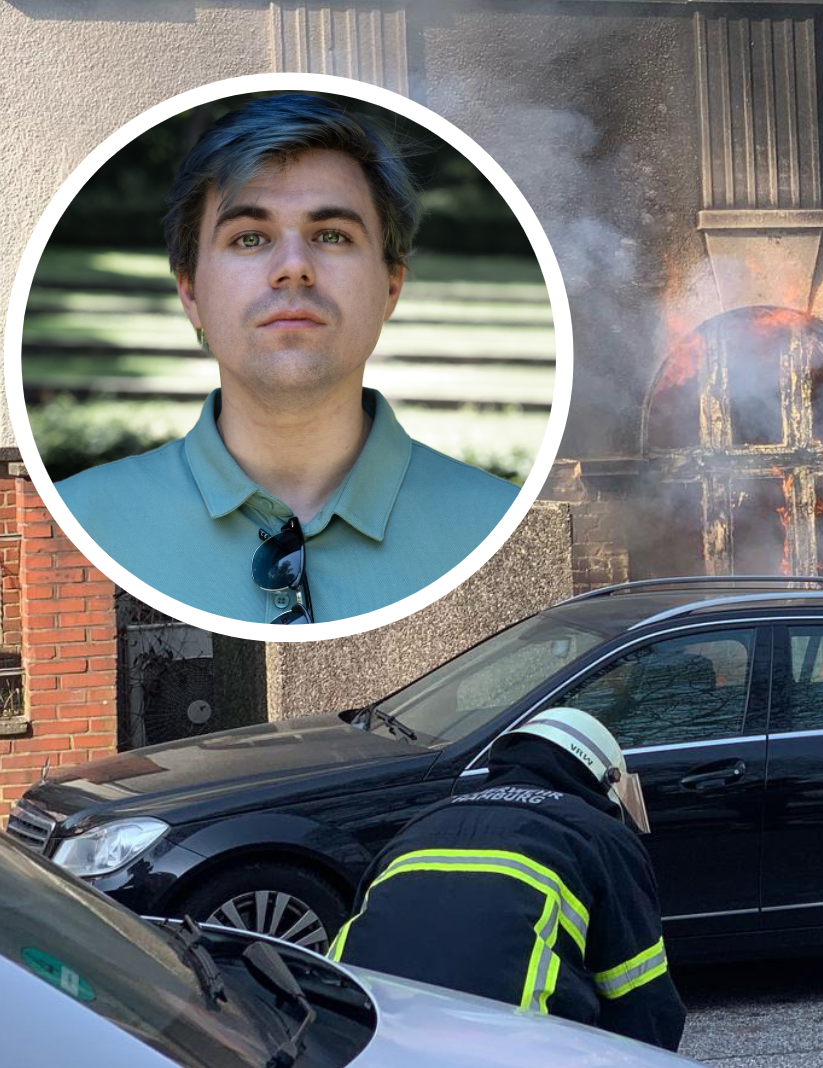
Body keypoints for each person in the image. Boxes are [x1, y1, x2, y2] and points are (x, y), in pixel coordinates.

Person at [55, 92, 518, 624]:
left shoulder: (501, 527)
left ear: (391, 286)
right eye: (250, 237)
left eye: (332, 235)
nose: (294, 267)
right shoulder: (78, 523)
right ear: (190, 292)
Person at [329, 708, 686, 1051]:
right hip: (506, 1050)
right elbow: (642, 999)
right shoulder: (599, 835)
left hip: (362, 1040)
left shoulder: (426, 822)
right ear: (602, 776)